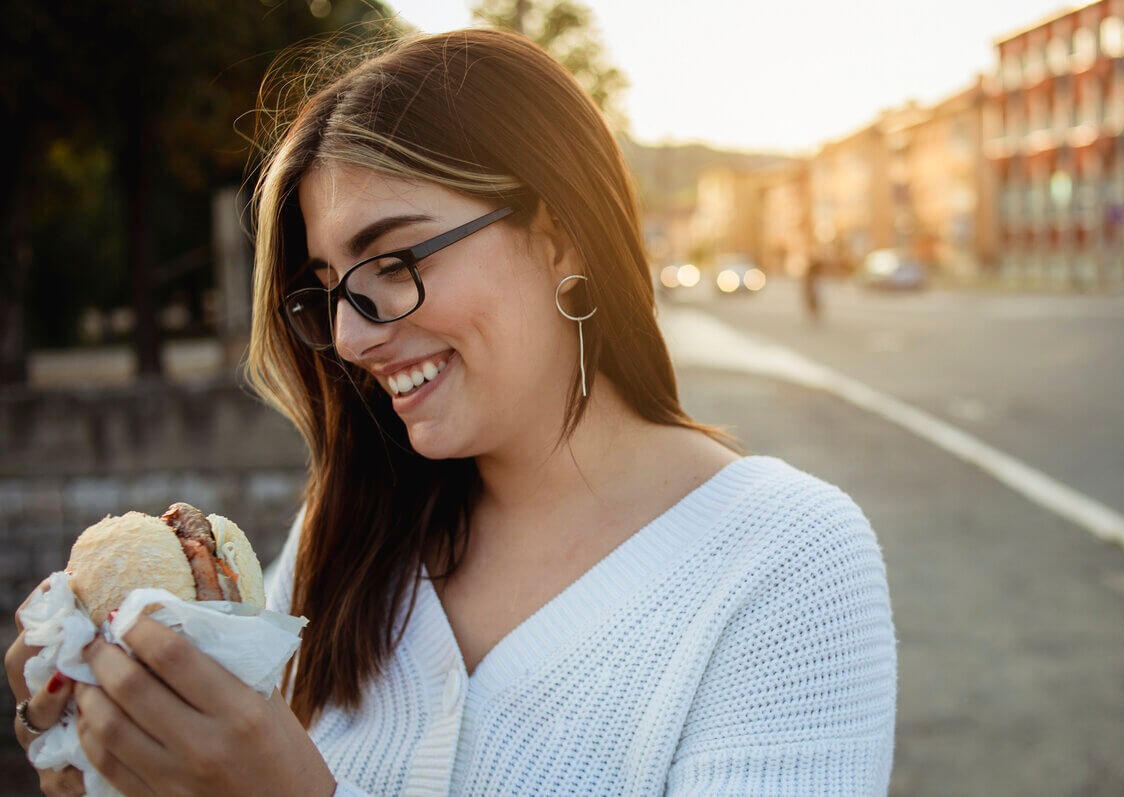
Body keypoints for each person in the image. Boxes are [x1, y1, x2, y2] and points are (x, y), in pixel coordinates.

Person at [7, 28, 897, 795]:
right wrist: (112, 754)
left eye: (391, 261)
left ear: (560, 239)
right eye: (328, 291)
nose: (352, 338)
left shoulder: (786, 559)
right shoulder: (345, 533)